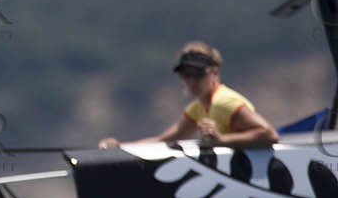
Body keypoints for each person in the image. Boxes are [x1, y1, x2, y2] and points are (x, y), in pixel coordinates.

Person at [99, 41, 278, 150]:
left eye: (198, 75)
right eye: (186, 75)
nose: (191, 81)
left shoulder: (224, 102)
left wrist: (222, 140)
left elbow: (268, 134)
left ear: (214, 73)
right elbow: (166, 140)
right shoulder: (198, 108)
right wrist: (120, 147)